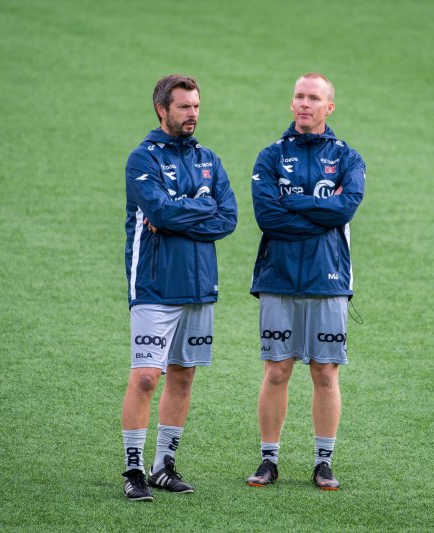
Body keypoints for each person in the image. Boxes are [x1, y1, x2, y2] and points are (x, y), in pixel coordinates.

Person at [245, 73, 365, 490]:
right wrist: (319, 213)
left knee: (325, 373)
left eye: (313, 98)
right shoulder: (270, 156)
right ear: (291, 103)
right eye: (299, 96)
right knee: (277, 371)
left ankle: (323, 462)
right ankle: (269, 460)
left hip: (328, 280)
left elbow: (344, 210)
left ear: (329, 107)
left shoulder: (348, 157)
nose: (304, 103)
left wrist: (293, 202)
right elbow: (268, 217)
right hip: (277, 278)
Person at [120, 74, 237, 501]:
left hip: (199, 286)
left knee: (183, 376)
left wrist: (180, 212)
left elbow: (228, 218)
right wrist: (200, 207)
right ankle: (133, 469)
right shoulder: (142, 159)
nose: (192, 114)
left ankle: (163, 466)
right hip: (154, 285)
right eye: (184, 106)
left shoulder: (209, 159)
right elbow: (159, 213)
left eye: (196, 106)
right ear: (162, 109)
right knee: (146, 377)